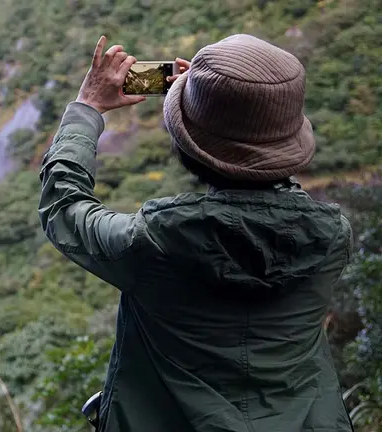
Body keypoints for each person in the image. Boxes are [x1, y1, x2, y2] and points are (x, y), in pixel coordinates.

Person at [38, 33, 354, 431]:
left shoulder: (152, 242)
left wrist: (87, 107)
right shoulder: (332, 239)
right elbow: (278, 202)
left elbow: (63, 209)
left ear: (187, 148)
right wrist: (235, 113)